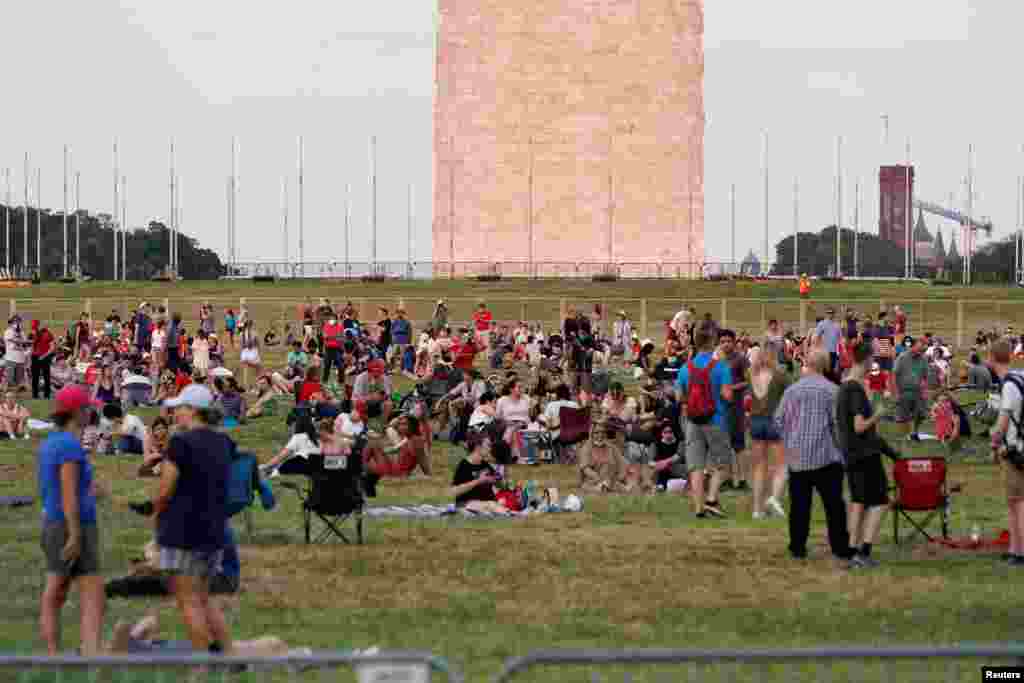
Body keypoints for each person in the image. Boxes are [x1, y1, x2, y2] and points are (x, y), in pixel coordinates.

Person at [150, 384, 234, 655]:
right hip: (214, 530)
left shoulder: (180, 442)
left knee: (188, 601)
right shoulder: (223, 442)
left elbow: (166, 488)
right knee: (205, 598)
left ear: (194, 411)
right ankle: (229, 655)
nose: (176, 413)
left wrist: (156, 516)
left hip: (182, 531)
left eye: (181, 408)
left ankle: (202, 663)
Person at [38, 386, 106, 655]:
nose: (91, 411)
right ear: (76, 412)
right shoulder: (69, 446)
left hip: (54, 523)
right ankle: (89, 654)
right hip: (71, 525)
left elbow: (60, 487)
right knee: (91, 593)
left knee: (56, 590)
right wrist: (76, 535)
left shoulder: (51, 443)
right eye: (87, 407)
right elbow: (67, 494)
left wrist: (90, 489)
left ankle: (56, 656)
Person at [774, 350, 855, 565]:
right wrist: (844, 452)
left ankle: (797, 546)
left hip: (798, 458)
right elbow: (838, 427)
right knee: (834, 507)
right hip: (826, 457)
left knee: (799, 506)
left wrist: (790, 442)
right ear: (826, 366)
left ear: (806, 365)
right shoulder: (832, 391)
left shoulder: (792, 391)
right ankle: (840, 547)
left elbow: (779, 421)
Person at [835, 342, 899, 569]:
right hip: (865, 456)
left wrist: (892, 453)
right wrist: (878, 414)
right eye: (873, 359)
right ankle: (864, 551)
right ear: (867, 359)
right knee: (881, 503)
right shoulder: (855, 389)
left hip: (851, 455)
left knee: (858, 502)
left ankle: (852, 551)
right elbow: (860, 426)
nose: (875, 363)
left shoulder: (844, 386)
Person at [674, 326, 734, 518]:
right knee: (724, 464)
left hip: (692, 421)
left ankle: (699, 509)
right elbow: (727, 395)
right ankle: (711, 498)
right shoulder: (721, 367)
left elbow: (678, 396)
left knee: (696, 466)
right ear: (712, 343)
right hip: (716, 420)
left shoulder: (686, 368)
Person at [987, 340, 1024, 566]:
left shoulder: (1009, 385)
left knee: (1019, 502)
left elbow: (1001, 426)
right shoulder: (1020, 376)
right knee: (1013, 501)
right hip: (1018, 448)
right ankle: (1014, 549)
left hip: (1015, 451)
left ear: (992, 358)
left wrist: (993, 445)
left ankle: (1021, 553)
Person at [748, 342, 791, 519]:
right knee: (782, 465)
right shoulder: (780, 376)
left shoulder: (751, 373)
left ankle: (757, 510)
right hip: (774, 421)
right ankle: (774, 499)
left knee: (759, 467)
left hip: (756, 422)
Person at [450, 428, 505, 513]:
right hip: (467, 504)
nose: (490, 449)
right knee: (490, 505)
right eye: (488, 445)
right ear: (478, 447)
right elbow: (454, 491)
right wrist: (478, 481)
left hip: (487, 503)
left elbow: (500, 485)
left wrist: (498, 480)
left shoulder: (485, 464)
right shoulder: (464, 465)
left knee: (500, 502)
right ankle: (509, 514)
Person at [892, 335, 929, 441]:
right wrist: (896, 392)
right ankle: (904, 437)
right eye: (919, 348)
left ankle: (914, 432)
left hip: (918, 392)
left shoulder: (923, 359)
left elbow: (925, 377)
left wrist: (925, 389)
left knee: (920, 414)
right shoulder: (902, 357)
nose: (921, 351)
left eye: (922, 349)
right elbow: (894, 374)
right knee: (903, 417)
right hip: (904, 392)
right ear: (912, 346)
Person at [351, 359, 393, 424]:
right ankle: (362, 423)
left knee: (388, 404)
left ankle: (382, 425)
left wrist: (383, 396)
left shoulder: (384, 378)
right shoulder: (361, 378)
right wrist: (370, 397)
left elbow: (388, 395)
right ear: (369, 371)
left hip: (377, 403)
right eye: (375, 373)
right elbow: (356, 398)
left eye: (380, 373)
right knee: (355, 415)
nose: (378, 375)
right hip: (362, 403)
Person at [813, 307, 842, 376]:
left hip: (834, 352)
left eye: (831, 313)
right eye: (828, 313)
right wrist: (816, 349)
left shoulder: (837, 325)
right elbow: (816, 337)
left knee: (831, 370)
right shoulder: (821, 324)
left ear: (834, 314)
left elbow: (840, 339)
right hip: (824, 352)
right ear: (826, 314)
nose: (830, 314)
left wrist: (840, 352)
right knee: (824, 370)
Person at [31, 320, 56, 400]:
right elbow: (33, 346)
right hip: (35, 357)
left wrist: (44, 356)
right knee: (35, 377)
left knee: (46, 377)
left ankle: (47, 395)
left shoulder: (48, 334)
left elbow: (52, 348)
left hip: (45, 358)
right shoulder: (35, 333)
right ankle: (35, 395)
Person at [4, 314, 29, 391]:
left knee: (19, 379)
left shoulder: (22, 333)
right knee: (9, 378)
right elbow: (13, 340)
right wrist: (22, 341)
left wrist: (23, 339)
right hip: (11, 358)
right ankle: (6, 393)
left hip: (20, 359)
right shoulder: (8, 331)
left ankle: (16, 394)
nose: (18, 324)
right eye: (16, 322)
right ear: (11, 323)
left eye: (19, 322)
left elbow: (24, 342)